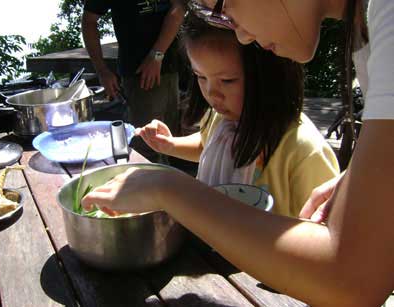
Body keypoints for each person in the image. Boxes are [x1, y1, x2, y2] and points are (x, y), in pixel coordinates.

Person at [82, 0, 394, 305]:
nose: (242, 36)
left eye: (223, 6)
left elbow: (352, 281)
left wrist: (167, 188)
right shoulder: (369, 26)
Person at [136, 14, 339, 217]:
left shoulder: (304, 152)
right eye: (201, 77)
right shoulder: (221, 117)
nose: (212, 93)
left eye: (227, 80)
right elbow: (205, 145)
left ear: (270, 74)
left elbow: (322, 230)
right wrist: (169, 145)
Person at [82, 0, 185, 163]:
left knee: (171, 144)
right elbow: (88, 20)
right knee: (146, 148)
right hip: (139, 75)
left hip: (171, 68)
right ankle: (146, 185)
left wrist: (156, 55)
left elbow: (178, 8)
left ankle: (167, 184)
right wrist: (102, 71)